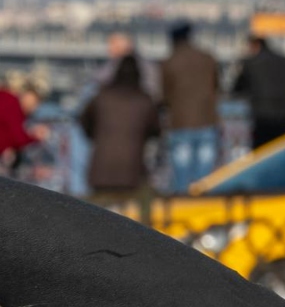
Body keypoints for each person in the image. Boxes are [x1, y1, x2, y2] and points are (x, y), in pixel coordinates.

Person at [80, 56, 161, 205]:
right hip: (132, 172)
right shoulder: (144, 100)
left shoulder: (102, 97)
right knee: (131, 216)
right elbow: (156, 130)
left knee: (98, 216)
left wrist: (96, 136)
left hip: (101, 171)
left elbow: (83, 121)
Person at [159, 22, 223, 192]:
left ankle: (183, 213)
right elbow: (217, 86)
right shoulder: (207, 58)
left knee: (181, 180)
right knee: (204, 179)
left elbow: (163, 95)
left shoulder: (169, 62)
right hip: (207, 120)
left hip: (180, 124)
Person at [231, 36, 285, 149]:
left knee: (262, 157)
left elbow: (236, 89)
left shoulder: (250, 65)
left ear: (255, 46)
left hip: (262, 120)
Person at [94, 32, 159, 99]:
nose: (109, 50)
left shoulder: (145, 66)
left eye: (113, 46)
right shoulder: (113, 63)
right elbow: (98, 79)